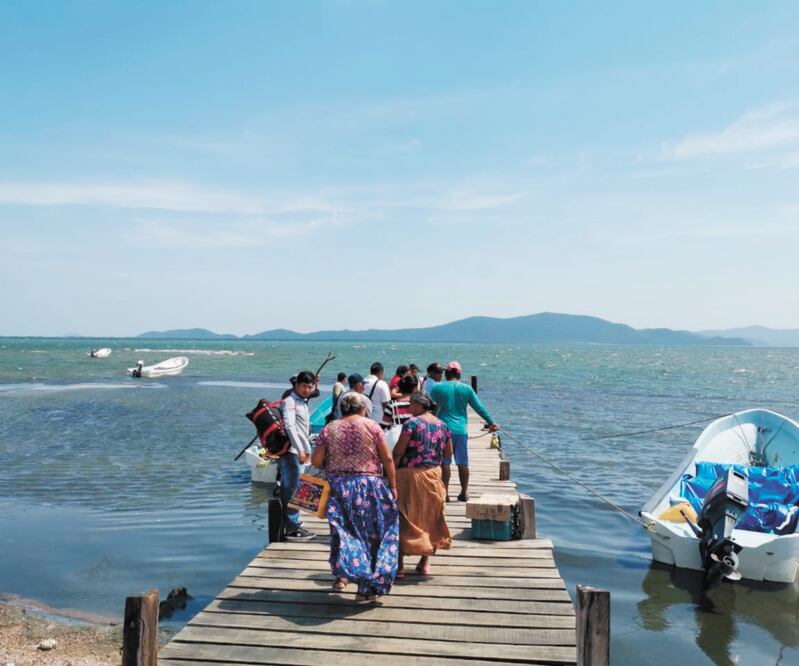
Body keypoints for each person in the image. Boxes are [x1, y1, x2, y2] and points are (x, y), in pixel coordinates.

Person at [312, 392, 400, 601]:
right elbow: (387, 458)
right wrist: (394, 486)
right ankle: (367, 588)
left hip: (339, 488)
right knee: (372, 535)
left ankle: (342, 577)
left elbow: (316, 461)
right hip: (368, 487)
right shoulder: (372, 426)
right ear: (363, 409)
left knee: (342, 534)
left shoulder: (329, 428)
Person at [392, 391, 452, 577]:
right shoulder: (443, 425)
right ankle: (424, 563)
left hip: (410, 475)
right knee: (430, 516)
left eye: (411, 404)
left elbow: (399, 451)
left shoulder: (411, 424)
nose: (410, 408)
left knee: (404, 516)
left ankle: (400, 566)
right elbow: (448, 454)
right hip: (433, 474)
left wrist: (389, 472)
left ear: (418, 405)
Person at [430, 361, 499, 502]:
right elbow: (479, 408)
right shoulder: (467, 389)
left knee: (445, 462)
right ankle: (464, 493)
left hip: (443, 429)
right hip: (460, 430)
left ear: (447, 374)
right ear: (459, 374)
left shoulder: (437, 388)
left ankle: (445, 494)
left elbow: (432, 408)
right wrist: (491, 423)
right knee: (463, 462)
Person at [278, 370, 317, 541]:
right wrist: (300, 449)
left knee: (297, 487)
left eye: (310, 387)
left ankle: (294, 523)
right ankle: (292, 528)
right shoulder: (290, 402)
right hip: (293, 453)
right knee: (292, 489)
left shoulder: (303, 401)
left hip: (302, 451)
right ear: (296, 385)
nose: (307, 390)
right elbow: (290, 427)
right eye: (304, 386)